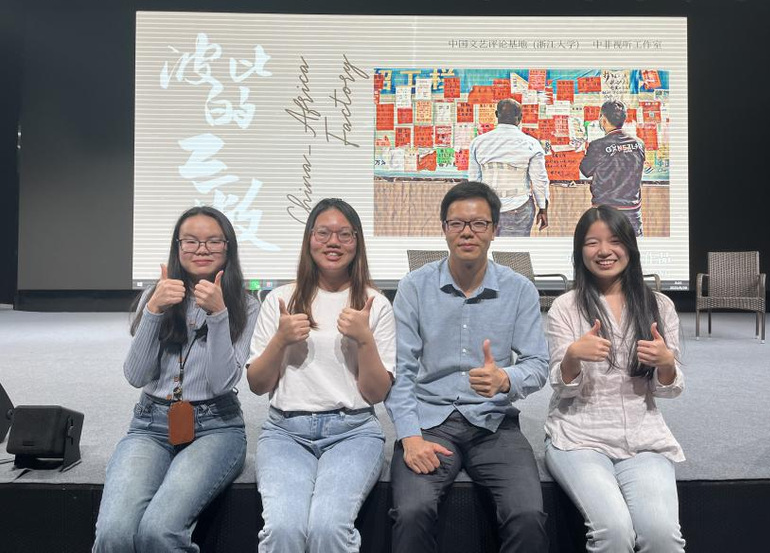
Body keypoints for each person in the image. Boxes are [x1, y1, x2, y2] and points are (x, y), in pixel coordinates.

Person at [386, 181, 550, 552]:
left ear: (495, 229)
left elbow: (538, 364)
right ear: (444, 228)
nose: (467, 232)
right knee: (411, 511)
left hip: (493, 422)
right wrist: (410, 437)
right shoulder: (415, 287)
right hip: (430, 421)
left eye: (478, 224)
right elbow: (401, 371)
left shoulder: (519, 289)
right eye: (457, 223)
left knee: (527, 514)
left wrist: (506, 378)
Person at [93, 206, 260, 552]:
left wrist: (219, 315)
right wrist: (154, 310)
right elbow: (135, 375)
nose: (202, 249)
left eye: (213, 241)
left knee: (159, 530)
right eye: (191, 241)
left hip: (216, 427)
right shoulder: (156, 296)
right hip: (150, 425)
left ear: (228, 247)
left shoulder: (245, 305)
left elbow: (222, 382)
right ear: (178, 246)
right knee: (114, 533)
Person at [247, 198, 396, 553]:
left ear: (357, 242)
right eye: (323, 233)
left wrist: (364, 339)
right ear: (309, 239)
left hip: (353, 432)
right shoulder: (280, 300)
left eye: (344, 234)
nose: (333, 242)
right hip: (285, 431)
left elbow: (376, 393)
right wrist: (281, 340)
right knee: (283, 529)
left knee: (328, 529)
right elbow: (257, 384)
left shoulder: (375, 303)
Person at [545, 204, 685, 552]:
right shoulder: (566, 306)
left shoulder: (659, 305)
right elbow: (561, 387)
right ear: (580, 252)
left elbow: (669, 389)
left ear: (630, 247)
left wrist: (666, 363)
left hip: (643, 437)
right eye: (592, 242)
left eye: (614, 241)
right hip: (578, 437)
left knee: (662, 536)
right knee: (613, 531)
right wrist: (573, 356)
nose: (604, 251)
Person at [468, 98, 550, 236]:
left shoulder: (478, 143)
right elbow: (539, 180)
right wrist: (543, 208)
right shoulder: (531, 144)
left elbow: (474, 180)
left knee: (486, 248)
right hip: (518, 207)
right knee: (514, 249)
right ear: (520, 118)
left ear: (496, 115)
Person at [580, 100, 646, 236]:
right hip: (632, 212)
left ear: (603, 120)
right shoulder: (639, 144)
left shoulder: (597, 146)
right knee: (631, 247)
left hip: (605, 212)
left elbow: (585, 170)